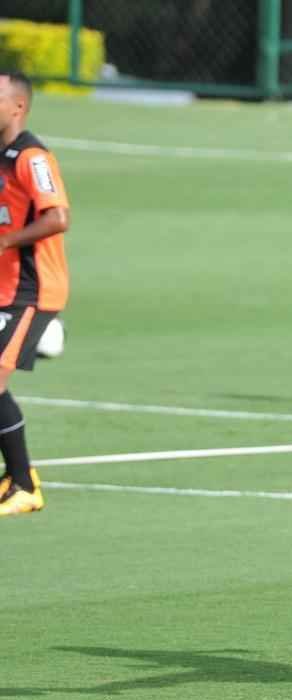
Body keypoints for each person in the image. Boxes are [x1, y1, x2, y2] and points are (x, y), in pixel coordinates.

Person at [0, 71, 71, 515]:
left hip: (31, 290)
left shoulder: (32, 157)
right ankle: (17, 477)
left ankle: (24, 484)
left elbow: (58, 217)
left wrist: (6, 241)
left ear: (17, 107)